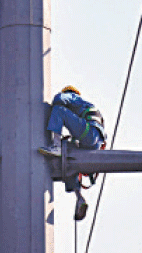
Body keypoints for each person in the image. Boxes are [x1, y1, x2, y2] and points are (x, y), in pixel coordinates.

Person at [38, 86, 106, 221]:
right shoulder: (86, 108)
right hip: (93, 141)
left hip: (89, 133)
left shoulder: (74, 97)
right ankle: (79, 198)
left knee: (59, 110)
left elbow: (60, 99)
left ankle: (55, 146)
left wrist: (49, 110)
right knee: (68, 162)